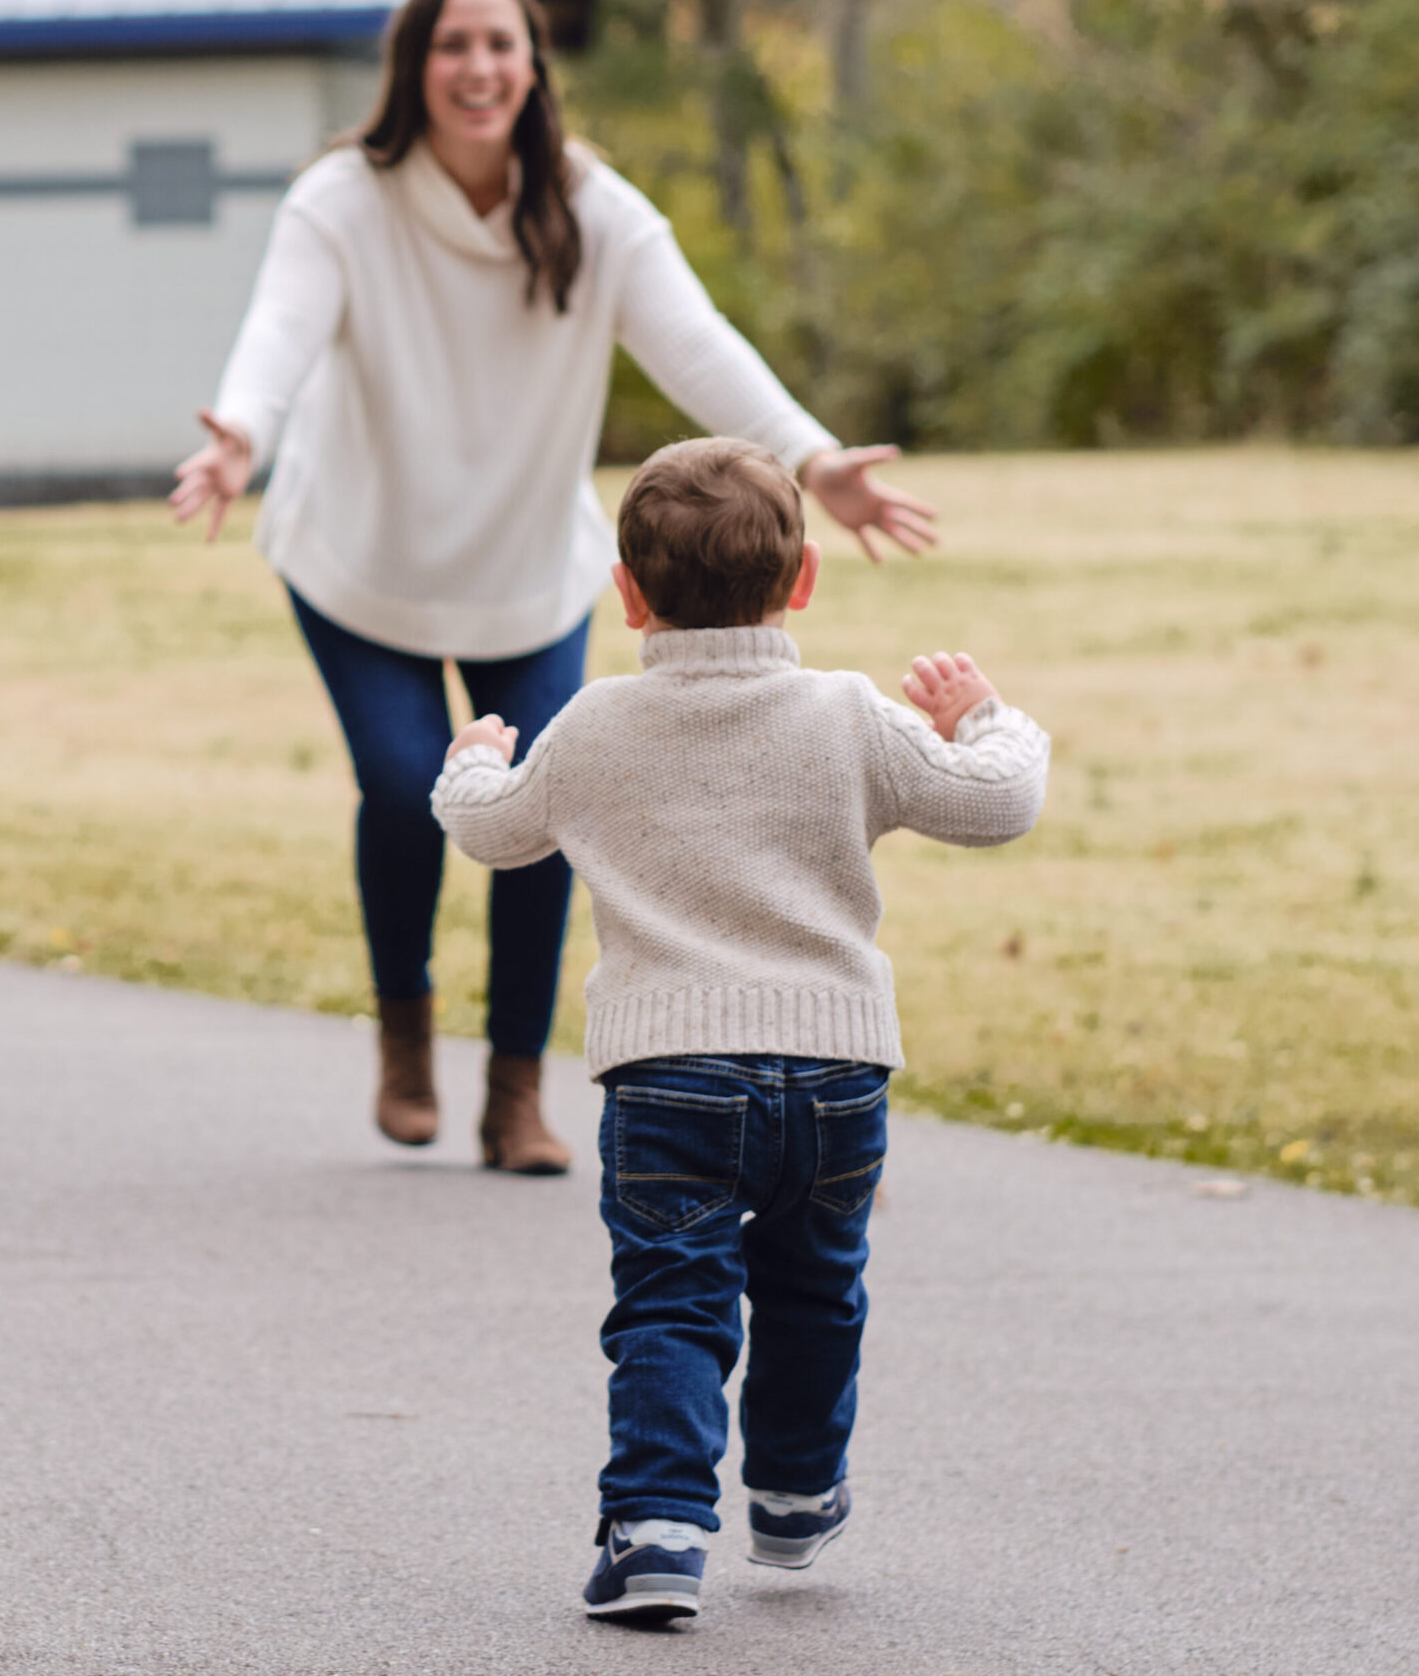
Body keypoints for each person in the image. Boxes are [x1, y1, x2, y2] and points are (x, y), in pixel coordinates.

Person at [170, 0, 938, 1174]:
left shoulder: (591, 207)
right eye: (451, 46)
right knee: (396, 783)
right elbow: (281, 328)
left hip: (526, 564)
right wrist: (242, 433)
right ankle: (407, 1032)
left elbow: (697, 343)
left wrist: (812, 458)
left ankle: (515, 1091)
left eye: (500, 46)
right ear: (415, 68)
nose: (477, 68)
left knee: (549, 802)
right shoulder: (344, 200)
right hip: (358, 554)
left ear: (532, 68)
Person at [430, 438, 1048, 1623]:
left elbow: (494, 833)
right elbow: (998, 802)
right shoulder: (847, 715)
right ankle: (796, 1494)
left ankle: (658, 1525)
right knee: (818, 1288)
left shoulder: (598, 723)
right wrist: (984, 717)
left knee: (671, 1298)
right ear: (803, 578)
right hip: (836, 1074)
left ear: (628, 594)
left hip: (668, 1077)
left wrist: (470, 761)